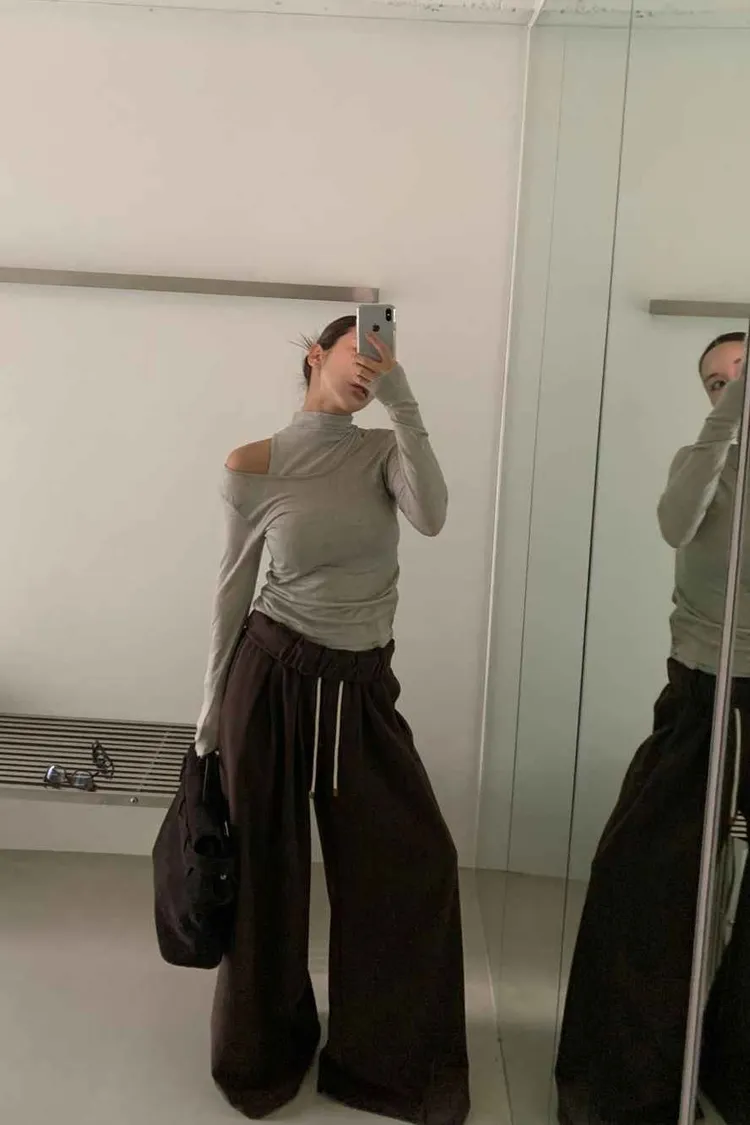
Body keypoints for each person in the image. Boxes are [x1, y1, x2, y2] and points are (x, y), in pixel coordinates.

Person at [193, 314, 470, 1125]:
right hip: (271, 681)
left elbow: (432, 515)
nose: (370, 367)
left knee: (415, 862)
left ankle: (384, 1064)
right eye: (360, 351)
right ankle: (263, 1056)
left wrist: (404, 399)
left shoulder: (383, 452)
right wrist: (207, 716)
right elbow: (231, 591)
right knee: (266, 881)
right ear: (317, 356)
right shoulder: (252, 464)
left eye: (384, 357)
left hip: (361, 689)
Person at [555, 332, 750, 1125]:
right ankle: (627, 1085)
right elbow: (675, 523)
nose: (729, 386)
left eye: (740, 371)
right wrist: (731, 416)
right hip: (703, 695)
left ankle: (733, 1071)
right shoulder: (700, 462)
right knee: (639, 878)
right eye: (716, 382)